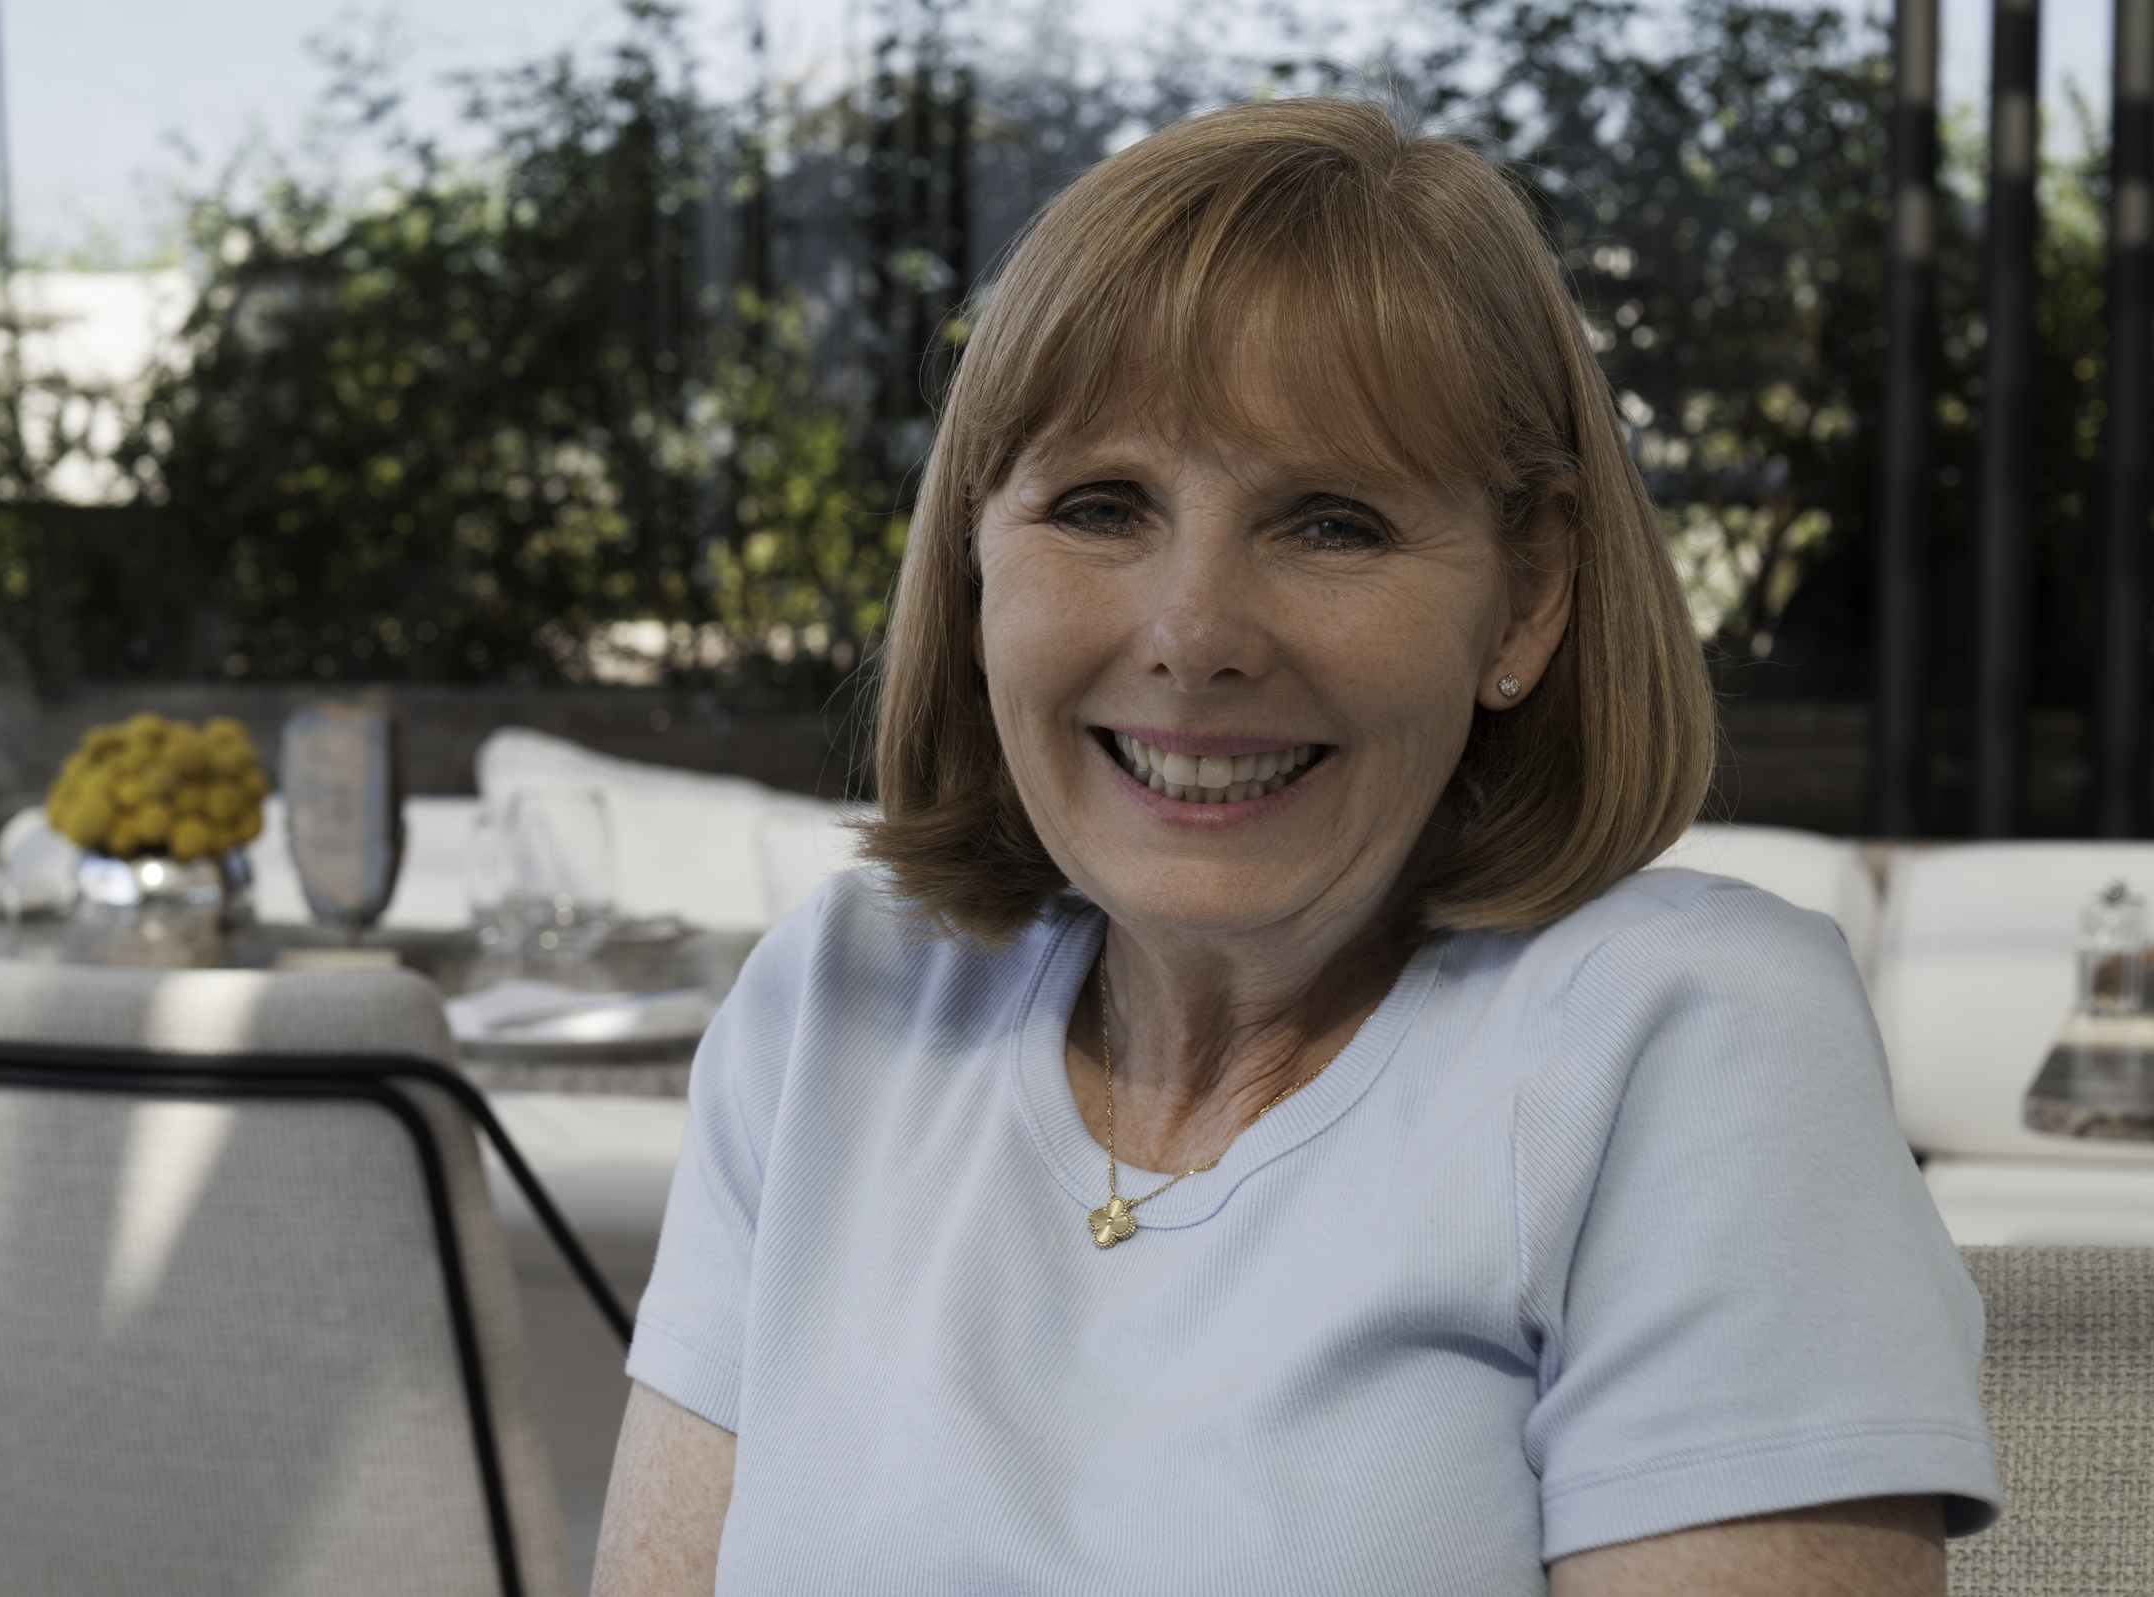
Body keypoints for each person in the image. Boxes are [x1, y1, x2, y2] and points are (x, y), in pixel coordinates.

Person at [593, 96, 1999, 1596]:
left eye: (1331, 522)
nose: (1195, 634)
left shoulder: (1691, 1042)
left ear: (1528, 592)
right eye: (1101, 505)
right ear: (975, 556)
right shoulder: (835, 1003)